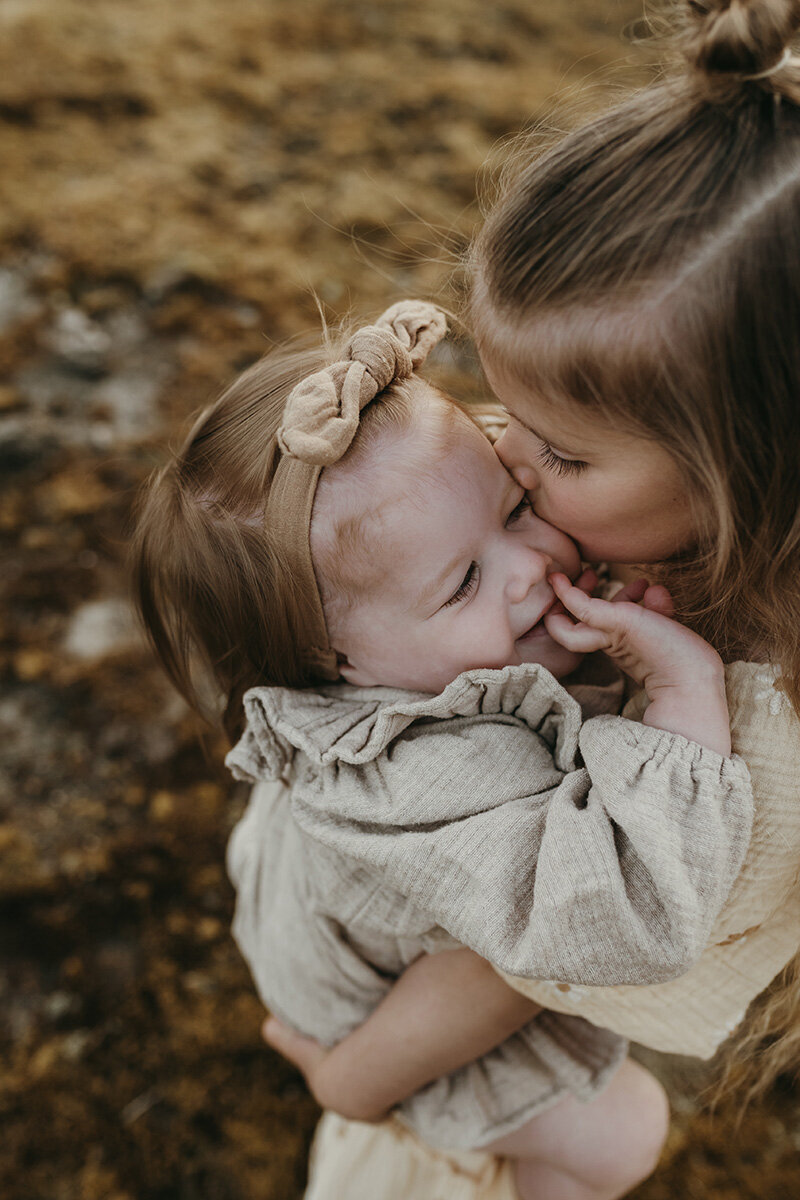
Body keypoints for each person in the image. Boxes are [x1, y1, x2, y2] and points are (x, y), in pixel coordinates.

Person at [261, 2, 800, 1197]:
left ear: (750, 469)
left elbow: (529, 945)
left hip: (442, 1067)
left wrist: (351, 1078)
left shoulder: (766, 739)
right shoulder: (644, 506)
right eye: (504, 413)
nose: (507, 460)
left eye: (555, 456)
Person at [131, 299, 754, 1200]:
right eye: (464, 579)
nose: (531, 564)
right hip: (363, 1006)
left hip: (353, 912)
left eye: (516, 505)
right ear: (334, 669)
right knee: (623, 1134)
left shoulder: (427, 576)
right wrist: (686, 700)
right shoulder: (416, 773)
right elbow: (618, 910)